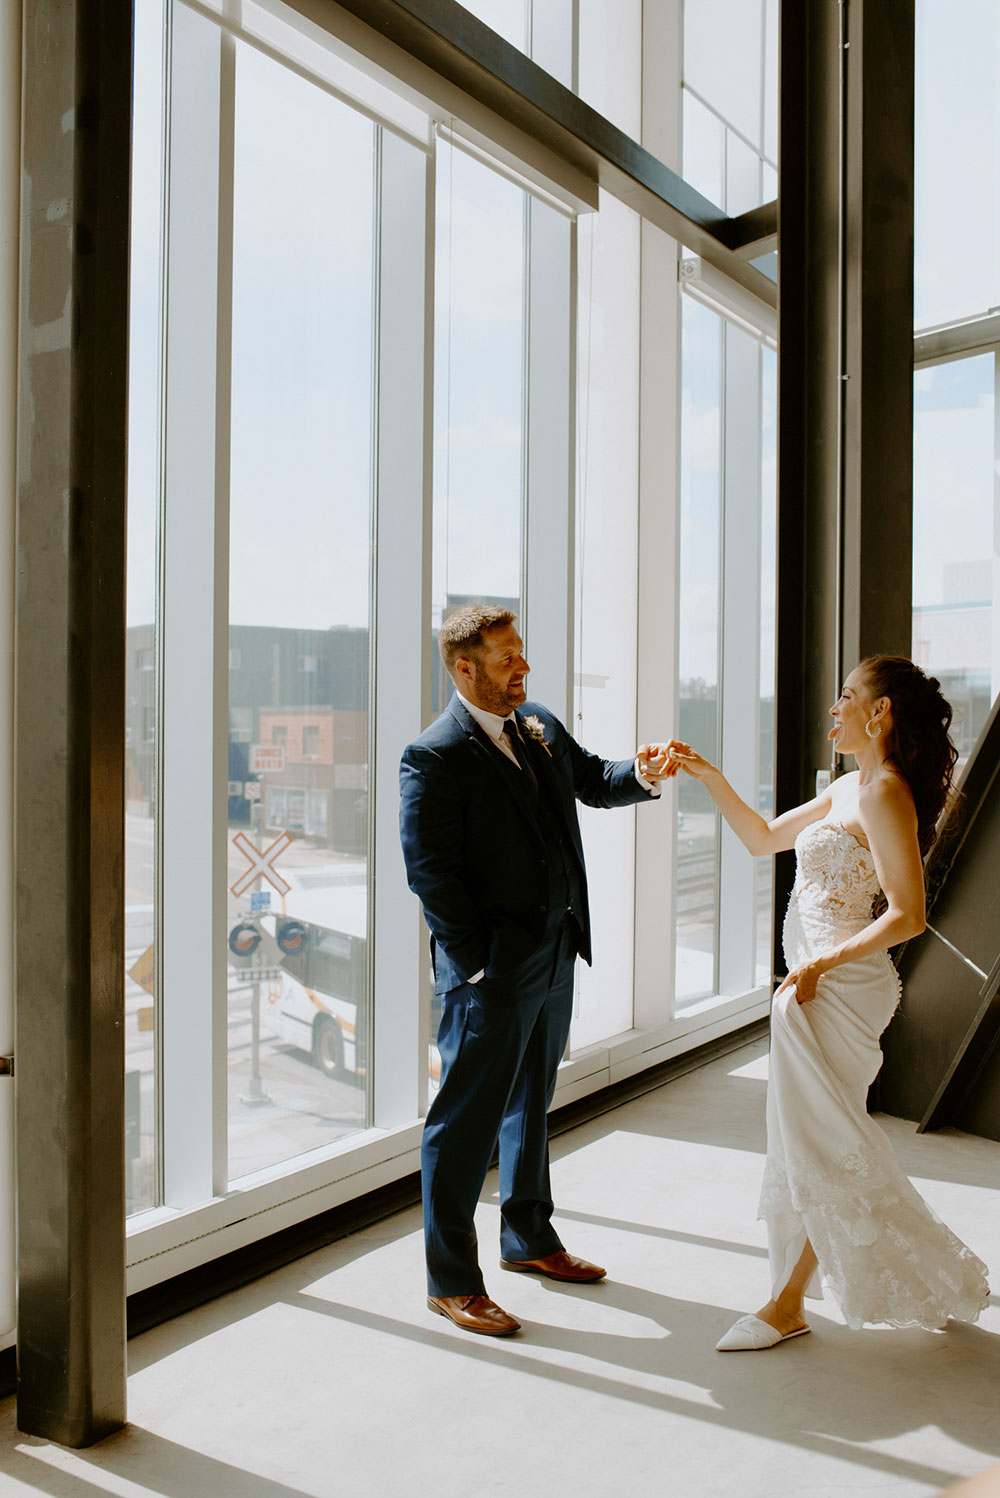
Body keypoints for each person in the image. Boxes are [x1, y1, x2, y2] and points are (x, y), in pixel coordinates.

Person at [655, 655, 989, 1349]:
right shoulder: (847, 787)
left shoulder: (886, 793)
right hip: (809, 985)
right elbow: (761, 838)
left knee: (823, 1144)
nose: (831, 710)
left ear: (881, 712)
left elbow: (908, 914)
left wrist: (822, 962)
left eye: (846, 697)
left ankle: (785, 1305)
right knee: (806, 1142)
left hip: (839, 988)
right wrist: (708, 775)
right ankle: (796, 1298)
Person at [399, 604, 663, 1336]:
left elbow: (594, 780)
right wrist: (477, 968)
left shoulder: (538, 724)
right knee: (463, 1124)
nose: (523, 667)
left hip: (554, 953)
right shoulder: (433, 755)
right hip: (489, 975)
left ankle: (529, 1241)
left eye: (521, 652)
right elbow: (431, 875)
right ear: (465, 668)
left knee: (529, 1107)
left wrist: (640, 772)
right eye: (506, 656)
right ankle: (451, 1280)